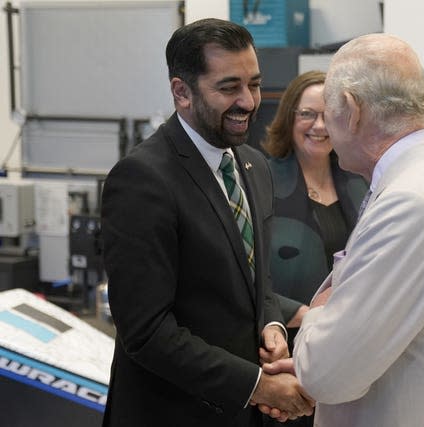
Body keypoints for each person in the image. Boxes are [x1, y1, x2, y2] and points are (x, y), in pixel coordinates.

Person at [263, 33, 424, 426]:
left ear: (352, 111)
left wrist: (318, 318)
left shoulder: (410, 203)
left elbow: (326, 373)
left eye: (329, 110)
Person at [100, 18, 313, 426]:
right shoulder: (142, 179)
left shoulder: (254, 165)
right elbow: (146, 332)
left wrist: (271, 323)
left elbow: (256, 278)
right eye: (229, 87)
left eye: (253, 83)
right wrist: (258, 386)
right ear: (181, 92)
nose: (249, 102)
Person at [262, 70, 367, 336]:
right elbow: (244, 277)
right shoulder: (261, 181)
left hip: (352, 335)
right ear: (289, 118)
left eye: (328, 115)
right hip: (286, 340)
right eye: (307, 114)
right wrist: (300, 315)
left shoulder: (361, 180)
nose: (319, 126)